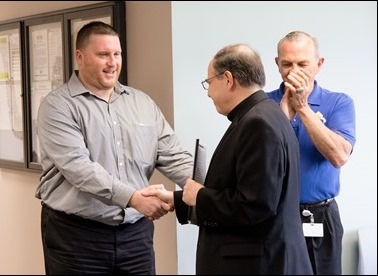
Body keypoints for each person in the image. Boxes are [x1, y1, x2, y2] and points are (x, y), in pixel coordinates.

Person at [35, 21, 193, 275]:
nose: (112, 63)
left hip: (135, 236)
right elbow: (79, 168)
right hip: (77, 238)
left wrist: (211, 185)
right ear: (80, 57)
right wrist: (133, 198)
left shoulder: (142, 103)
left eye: (117, 54)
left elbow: (173, 156)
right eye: (103, 55)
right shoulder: (57, 106)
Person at [145, 43, 313, 275]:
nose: (208, 92)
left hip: (258, 265)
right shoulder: (264, 114)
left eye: (209, 82)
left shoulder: (258, 124)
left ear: (228, 78)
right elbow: (242, 190)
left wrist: (200, 196)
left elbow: (255, 206)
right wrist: (178, 199)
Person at [267, 31, 356, 275]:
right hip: (274, 216)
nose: (294, 70)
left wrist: (303, 108)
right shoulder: (263, 105)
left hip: (320, 216)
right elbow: (262, 160)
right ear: (277, 65)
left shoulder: (339, 103)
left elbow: (339, 156)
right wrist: (285, 111)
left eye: (303, 64)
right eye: (287, 64)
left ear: (319, 65)